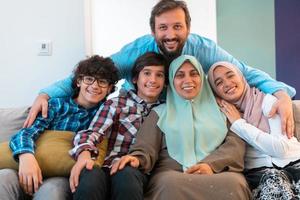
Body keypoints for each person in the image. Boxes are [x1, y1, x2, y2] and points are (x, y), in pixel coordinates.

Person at [25, 0, 296, 138]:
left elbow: (244, 73)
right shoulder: (136, 51)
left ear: (188, 28)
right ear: (153, 30)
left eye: (177, 27)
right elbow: (98, 72)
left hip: (188, 116)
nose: (170, 34)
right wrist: (46, 93)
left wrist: (281, 93)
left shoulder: (203, 48)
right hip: (144, 117)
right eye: (163, 27)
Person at [111, 55, 251, 200]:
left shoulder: (224, 109)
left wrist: (210, 165)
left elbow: (235, 145)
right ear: (171, 81)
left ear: (202, 78)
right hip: (173, 175)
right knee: (168, 183)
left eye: (193, 73)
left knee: (234, 183)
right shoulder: (159, 113)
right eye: (180, 75)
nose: (188, 80)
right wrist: (137, 158)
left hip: (218, 172)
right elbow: (146, 146)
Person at [0, 55, 119, 200]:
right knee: (4, 178)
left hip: (61, 175)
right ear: (78, 82)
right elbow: (26, 133)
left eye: (102, 82)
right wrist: (26, 157)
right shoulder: (57, 105)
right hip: (29, 163)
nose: (94, 86)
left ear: (110, 89)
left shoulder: (106, 115)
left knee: (52, 191)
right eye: (89, 79)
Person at [68, 52, 166, 200]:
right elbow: (93, 132)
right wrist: (84, 155)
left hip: (137, 170)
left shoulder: (166, 110)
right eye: (147, 73)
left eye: (159, 75)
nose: (153, 80)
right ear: (135, 79)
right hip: (107, 166)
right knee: (90, 175)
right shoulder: (117, 104)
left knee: (126, 175)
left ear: (165, 82)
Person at [207, 61, 300, 199]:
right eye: (219, 83)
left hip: (294, 162)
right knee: (273, 183)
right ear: (215, 91)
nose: (227, 83)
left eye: (230, 75)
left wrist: (239, 123)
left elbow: (281, 149)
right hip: (259, 173)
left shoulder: (268, 101)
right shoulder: (222, 115)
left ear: (242, 78)